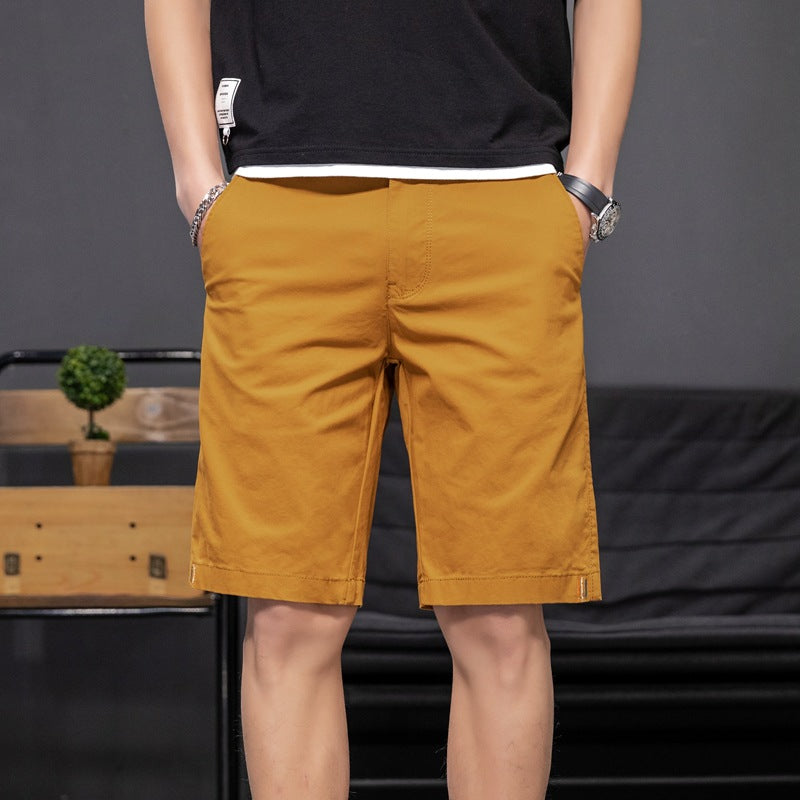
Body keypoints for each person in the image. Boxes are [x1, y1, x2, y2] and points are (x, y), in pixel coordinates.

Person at [144, 1, 641, 797]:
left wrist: (589, 183)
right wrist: (199, 183)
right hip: (284, 206)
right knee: (288, 617)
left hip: (503, 204)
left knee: (500, 618)